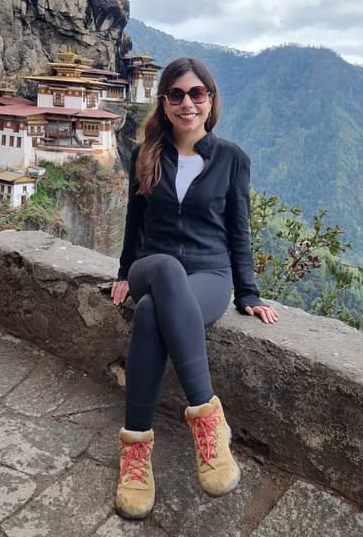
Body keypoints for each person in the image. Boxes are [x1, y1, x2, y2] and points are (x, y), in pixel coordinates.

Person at [111, 56, 279, 520]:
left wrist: (247, 293)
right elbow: (134, 221)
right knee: (163, 267)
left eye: (196, 94)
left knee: (149, 316)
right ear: (164, 103)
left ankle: (136, 452)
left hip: (209, 274)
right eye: (177, 94)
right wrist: (126, 271)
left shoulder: (232, 160)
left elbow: (239, 231)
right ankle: (207, 418)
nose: (187, 103)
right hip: (153, 265)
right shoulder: (146, 153)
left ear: (210, 100)